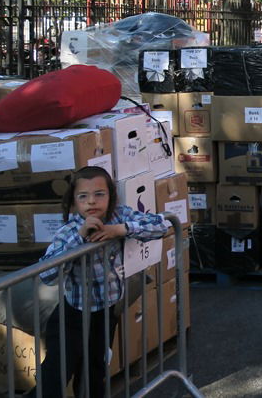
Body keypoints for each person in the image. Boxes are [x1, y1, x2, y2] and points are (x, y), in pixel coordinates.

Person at [39, 166, 166, 398]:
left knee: (94, 372)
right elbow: (46, 274)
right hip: (73, 316)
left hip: (106, 313)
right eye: (83, 196)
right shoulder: (68, 232)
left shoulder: (119, 215)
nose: (91, 202)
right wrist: (79, 238)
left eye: (99, 194)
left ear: (111, 196)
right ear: (74, 201)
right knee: (56, 374)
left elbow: (161, 225)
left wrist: (120, 230)